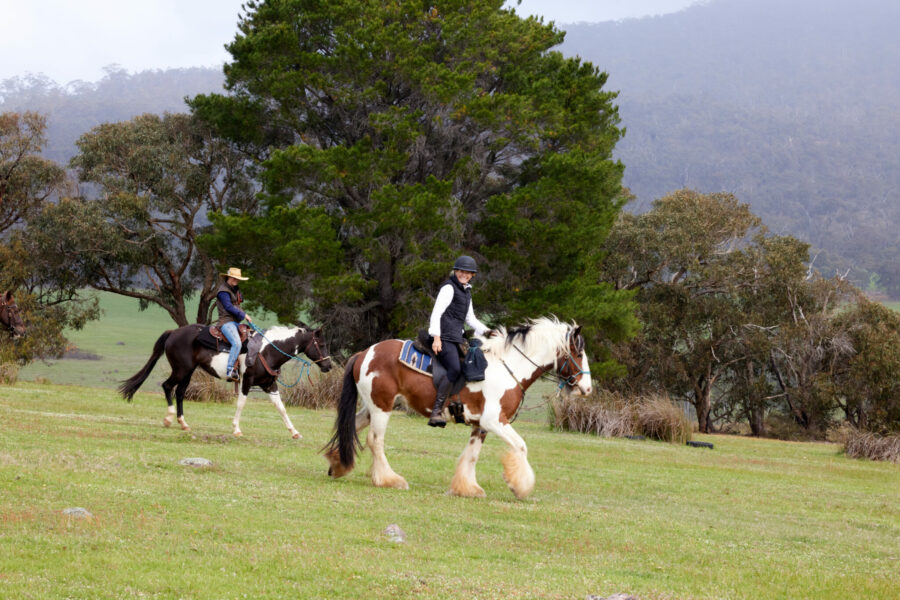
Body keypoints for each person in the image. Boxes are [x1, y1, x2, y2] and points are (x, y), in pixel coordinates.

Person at [427, 255, 491, 427]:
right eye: (461, 271)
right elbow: (436, 313)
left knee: (469, 366)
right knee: (454, 368)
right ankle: (436, 412)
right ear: (456, 271)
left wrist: (488, 331)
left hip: (456, 338)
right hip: (444, 337)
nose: (464, 275)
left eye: (468, 273)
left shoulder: (466, 291)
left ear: (472, 275)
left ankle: (456, 405)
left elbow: (470, 319)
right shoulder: (449, 288)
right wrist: (436, 338)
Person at [215, 267, 253, 382]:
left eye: (238, 279)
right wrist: (244, 315)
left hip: (236, 323)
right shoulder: (223, 291)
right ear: (229, 277)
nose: (237, 281)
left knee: (252, 338)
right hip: (226, 322)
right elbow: (228, 307)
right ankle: (230, 370)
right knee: (236, 343)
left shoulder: (235, 290)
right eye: (235, 278)